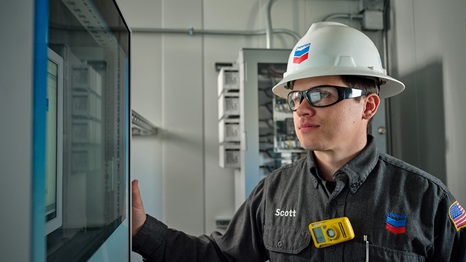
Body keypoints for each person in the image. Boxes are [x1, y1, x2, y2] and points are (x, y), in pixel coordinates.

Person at [131, 22, 466, 261]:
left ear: (368, 105)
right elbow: (220, 256)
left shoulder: (426, 199)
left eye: (320, 94)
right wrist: (143, 230)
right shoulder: (274, 192)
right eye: (295, 98)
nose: (301, 109)